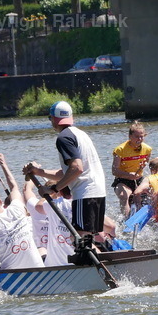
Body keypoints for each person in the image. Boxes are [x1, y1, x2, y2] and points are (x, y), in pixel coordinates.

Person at [27, 101, 106, 237]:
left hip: (85, 194)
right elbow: (66, 173)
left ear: (53, 119)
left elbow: (77, 168)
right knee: (82, 239)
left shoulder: (63, 138)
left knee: (80, 239)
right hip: (97, 192)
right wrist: (39, 172)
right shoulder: (80, 134)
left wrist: (53, 189)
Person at [112, 121, 151, 218]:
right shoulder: (120, 150)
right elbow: (114, 171)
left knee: (152, 193)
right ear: (130, 136)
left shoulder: (147, 149)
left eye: (142, 136)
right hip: (123, 180)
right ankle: (127, 221)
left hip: (138, 179)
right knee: (123, 196)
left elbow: (144, 164)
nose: (140, 139)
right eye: (137, 137)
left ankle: (152, 219)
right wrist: (129, 175)